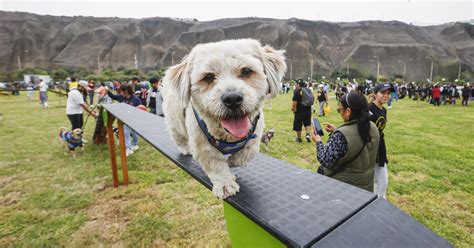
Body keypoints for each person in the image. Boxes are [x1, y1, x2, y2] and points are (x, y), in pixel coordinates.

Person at [312, 91, 380, 192]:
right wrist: (336, 131)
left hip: (343, 189)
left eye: (340, 110)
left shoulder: (342, 135)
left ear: (348, 111)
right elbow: (356, 141)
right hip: (366, 187)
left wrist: (318, 141)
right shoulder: (372, 127)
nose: (340, 113)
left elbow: (325, 160)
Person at [369, 83, 393, 199]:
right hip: (369, 149)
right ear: (375, 94)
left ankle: (380, 203)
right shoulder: (368, 109)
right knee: (373, 182)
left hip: (380, 148)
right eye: (383, 93)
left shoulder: (383, 110)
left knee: (383, 182)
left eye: (388, 93)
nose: (386, 96)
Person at [107, 84, 142, 156]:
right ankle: (128, 148)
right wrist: (108, 91)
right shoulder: (121, 97)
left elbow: (140, 109)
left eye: (121, 92)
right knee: (126, 133)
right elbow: (113, 96)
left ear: (126, 91)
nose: (120, 93)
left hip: (134, 119)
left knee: (134, 132)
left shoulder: (136, 99)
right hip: (124, 119)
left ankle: (135, 144)